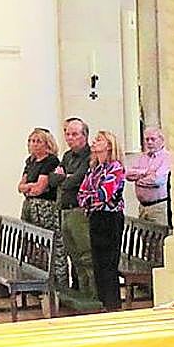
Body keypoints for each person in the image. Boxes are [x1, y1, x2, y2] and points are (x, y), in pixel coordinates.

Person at [77, 130, 127, 311]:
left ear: (109, 145)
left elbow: (104, 195)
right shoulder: (94, 168)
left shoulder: (116, 167)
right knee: (97, 263)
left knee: (108, 264)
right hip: (96, 217)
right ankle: (102, 304)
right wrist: (90, 199)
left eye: (99, 140)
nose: (94, 142)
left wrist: (90, 199)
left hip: (110, 218)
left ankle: (113, 306)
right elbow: (81, 194)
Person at [48, 118, 94, 292]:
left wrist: (65, 178)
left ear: (85, 136)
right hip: (65, 210)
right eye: (67, 134)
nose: (69, 138)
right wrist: (63, 177)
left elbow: (76, 181)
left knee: (85, 256)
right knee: (73, 256)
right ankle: (80, 291)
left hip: (79, 211)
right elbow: (53, 179)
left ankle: (91, 294)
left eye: (74, 134)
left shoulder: (89, 156)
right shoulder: (67, 156)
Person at [125, 126, 172, 227]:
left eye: (153, 139)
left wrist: (138, 180)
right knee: (144, 239)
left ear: (162, 140)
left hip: (158, 207)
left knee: (158, 239)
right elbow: (128, 174)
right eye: (147, 139)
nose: (149, 142)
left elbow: (157, 180)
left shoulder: (167, 157)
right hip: (142, 207)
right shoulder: (143, 157)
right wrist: (146, 172)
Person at [18, 128, 60, 230]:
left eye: (38, 141)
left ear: (47, 144)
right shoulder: (30, 161)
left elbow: (39, 189)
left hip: (44, 207)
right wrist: (30, 186)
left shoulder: (50, 160)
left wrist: (28, 187)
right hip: (29, 203)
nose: (34, 144)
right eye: (32, 141)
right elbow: (20, 186)